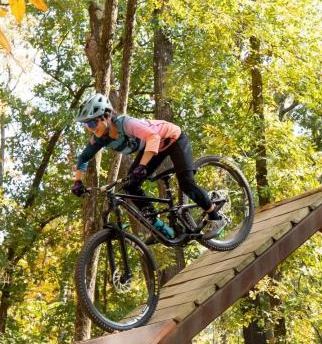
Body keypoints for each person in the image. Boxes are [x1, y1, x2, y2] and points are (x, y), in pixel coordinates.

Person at [70, 93, 223, 241]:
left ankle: (215, 217)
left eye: (92, 123)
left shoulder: (126, 123)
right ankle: (160, 227)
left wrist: (142, 166)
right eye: (86, 125)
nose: (90, 128)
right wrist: (78, 182)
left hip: (172, 139)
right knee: (130, 186)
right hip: (152, 147)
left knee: (186, 183)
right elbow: (84, 157)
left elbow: (153, 136)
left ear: (106, 116)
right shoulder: (100, 138)